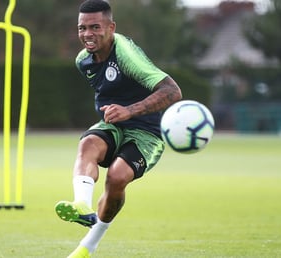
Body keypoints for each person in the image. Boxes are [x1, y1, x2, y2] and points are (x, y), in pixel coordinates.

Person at [54, 0, 182, 257]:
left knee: (117, 177)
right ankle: (81, 204)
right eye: (82, 28)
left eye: (95, 27)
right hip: (114, 124)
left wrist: (130, 110)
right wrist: (117, 114)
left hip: (147, 132)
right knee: (87, 144)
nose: (87, 34)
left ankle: (88, 246)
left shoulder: (125, 53)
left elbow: (173, 91)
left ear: (111, 27)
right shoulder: (83, 61)